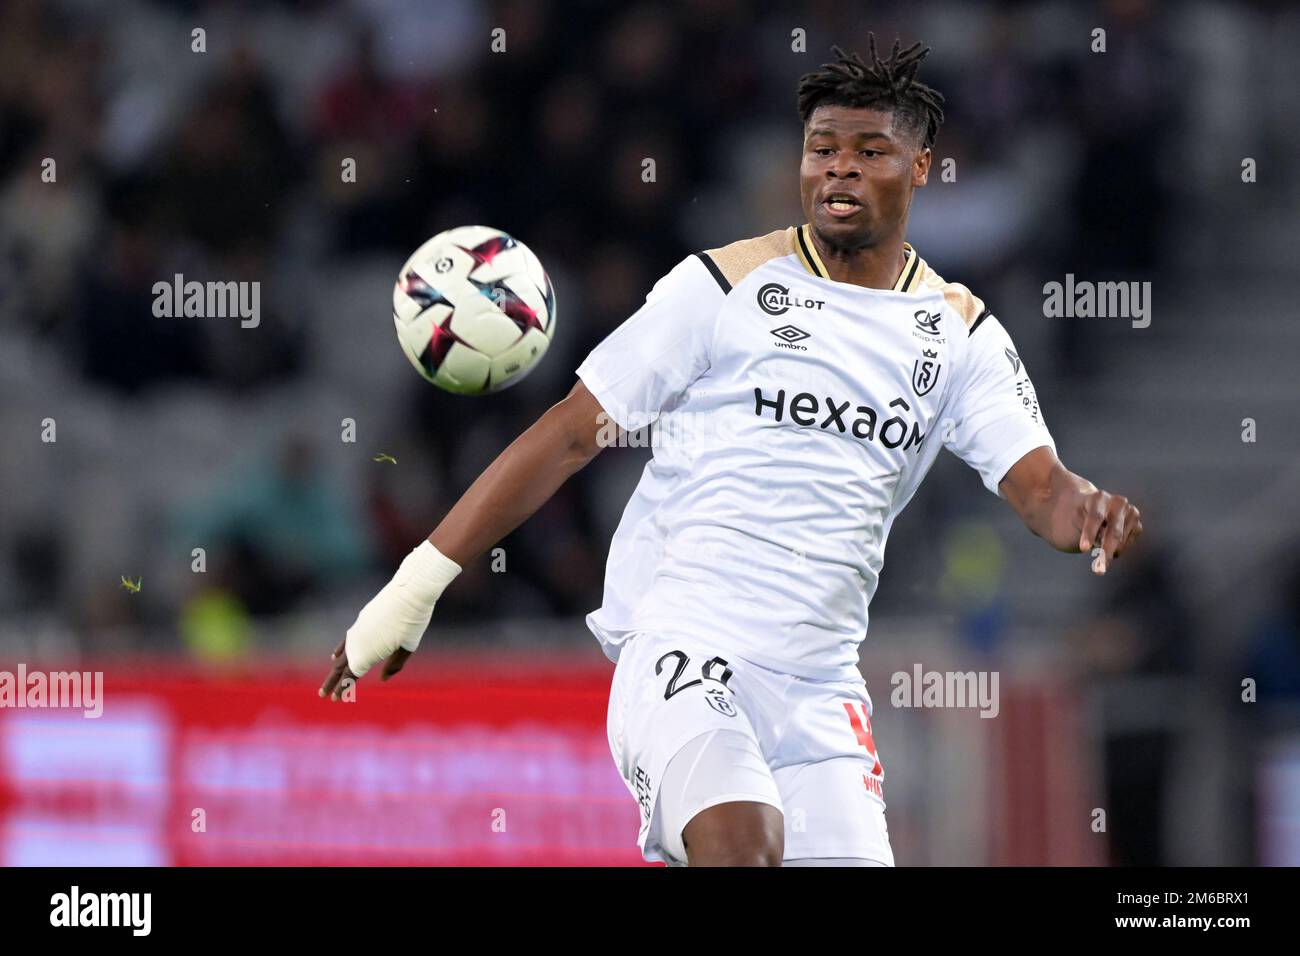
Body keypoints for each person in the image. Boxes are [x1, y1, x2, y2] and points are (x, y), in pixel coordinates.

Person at [319, 37, 1143, 867]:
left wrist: (1090, 513)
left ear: (921, 168)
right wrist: (416, 585)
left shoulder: (959, 333)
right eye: (822, 150)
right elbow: (572, 433)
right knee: (742, 847)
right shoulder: (719, 286)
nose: (839, 171)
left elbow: (1043, 490)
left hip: (820, 688)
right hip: (686, 650)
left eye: (869, 152)